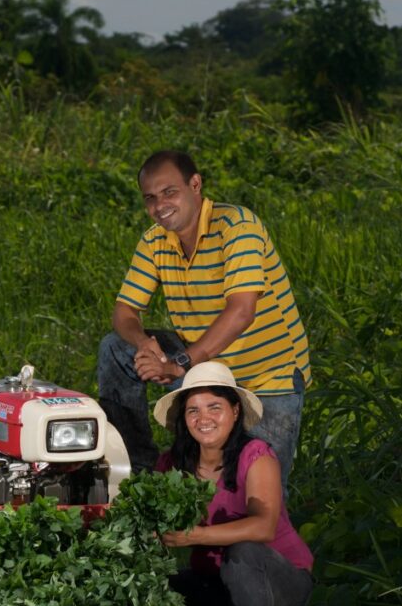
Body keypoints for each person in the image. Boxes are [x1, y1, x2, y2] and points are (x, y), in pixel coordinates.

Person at [97, 149, 311, 488]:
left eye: (170, 192)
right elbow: (124, 312)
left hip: (267, 377)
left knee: (256, 495)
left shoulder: (237, 226)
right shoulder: (155, 241)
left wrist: (180, 364)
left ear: (195, 184)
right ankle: (136, 470)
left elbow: (241, 311)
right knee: (116, 348)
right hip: (203, 368)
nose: (160, 205)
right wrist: (144, 344)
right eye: (150, 198)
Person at [153, 361, 313, 606]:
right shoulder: (171, 463)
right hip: (216, 579)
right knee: (159, 587)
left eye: (215, 407)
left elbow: (263, 528)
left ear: (236, 411)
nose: (203, 418)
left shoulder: (256, 455)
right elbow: (152, 519)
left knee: (243, 551)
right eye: (193, 410)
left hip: (277, 580)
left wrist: (194, 536)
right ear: (184, 418)